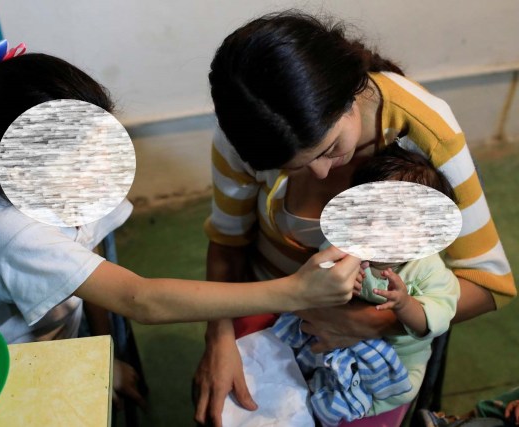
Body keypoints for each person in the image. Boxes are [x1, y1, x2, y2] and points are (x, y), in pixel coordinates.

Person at [0, 42, 360, 411]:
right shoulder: (16, 235)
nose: (101, 167)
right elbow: (140, 299)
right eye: (80, 157)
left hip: (57, 350)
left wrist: (103, 355)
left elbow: (92, 278)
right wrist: (295, 292)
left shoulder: (71, 195)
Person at [193, 11, 516, 427]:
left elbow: (489, 285)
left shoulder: (426, 132)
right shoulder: (251, 133)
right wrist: (218, 338)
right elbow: (227, 242)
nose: (323, 175)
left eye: (330, 149)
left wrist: (371, 321)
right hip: (270, 307)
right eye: (295, 167)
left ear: (351, 95)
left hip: (373, 338)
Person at [271, 143, 460, 426]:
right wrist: (335, 278)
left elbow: (434, 320)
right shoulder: (346, 248)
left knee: (371, 404)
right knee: (292, 340)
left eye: (395, 222)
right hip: (337, 338)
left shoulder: (428, 271)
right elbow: (318, 276)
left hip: (396, 366)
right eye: (367, 216)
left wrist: (405, 304)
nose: (377, 229)